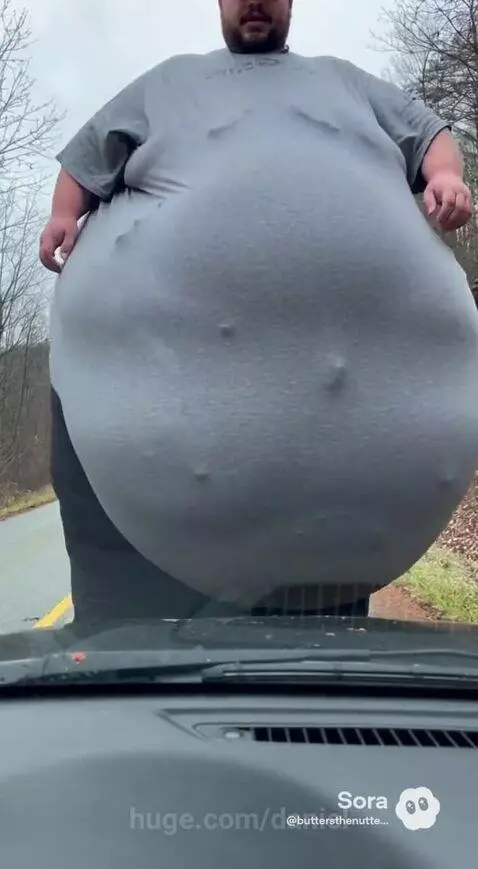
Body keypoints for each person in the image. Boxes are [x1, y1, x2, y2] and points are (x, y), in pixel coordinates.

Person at [40, 0, 478, 625]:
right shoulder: (167, 84)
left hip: (344, 502)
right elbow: (87, 157)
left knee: (311, 661)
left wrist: (444, 176)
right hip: (135, 481)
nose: (254, 3)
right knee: (130, 644)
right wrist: (62, 215)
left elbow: (429, 132)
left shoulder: (346, 82)